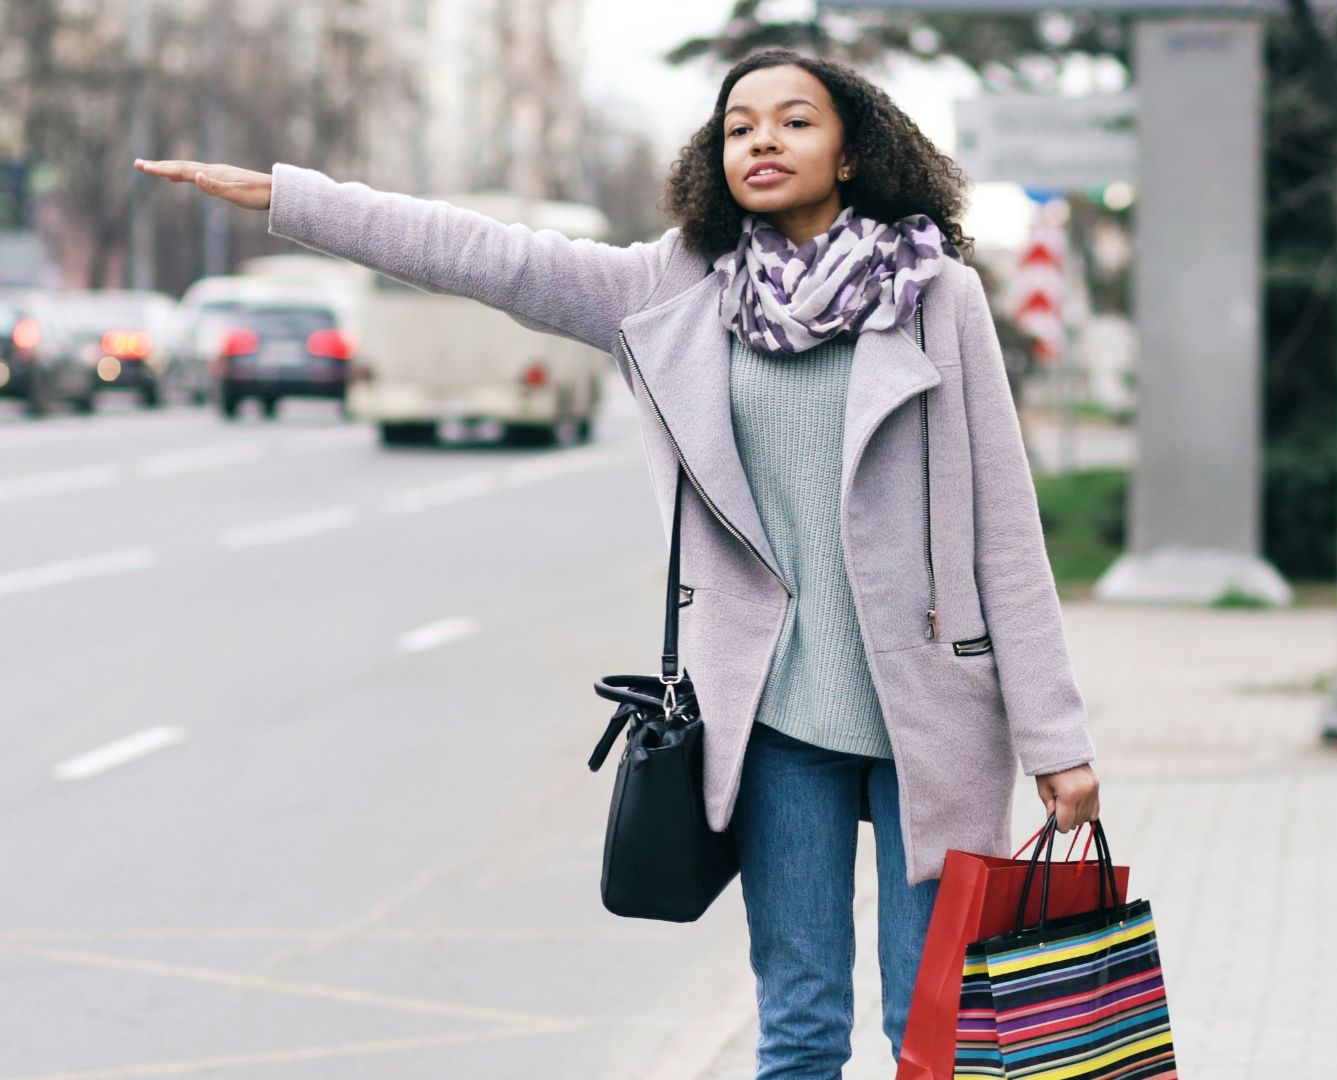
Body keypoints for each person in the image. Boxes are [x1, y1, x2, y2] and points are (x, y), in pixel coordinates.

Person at [136, 47, 1101, 1079]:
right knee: (802, 1026)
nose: (762, 140)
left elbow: (1005, 529)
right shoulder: (673, 291)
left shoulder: (935, 296)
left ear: (854, 153)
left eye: (793, 121)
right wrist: (293, 198)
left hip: (936, 718)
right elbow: (486, 256)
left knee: (938, 1030)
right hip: (773, 723)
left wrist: (1057, 739)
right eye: (739, 127)